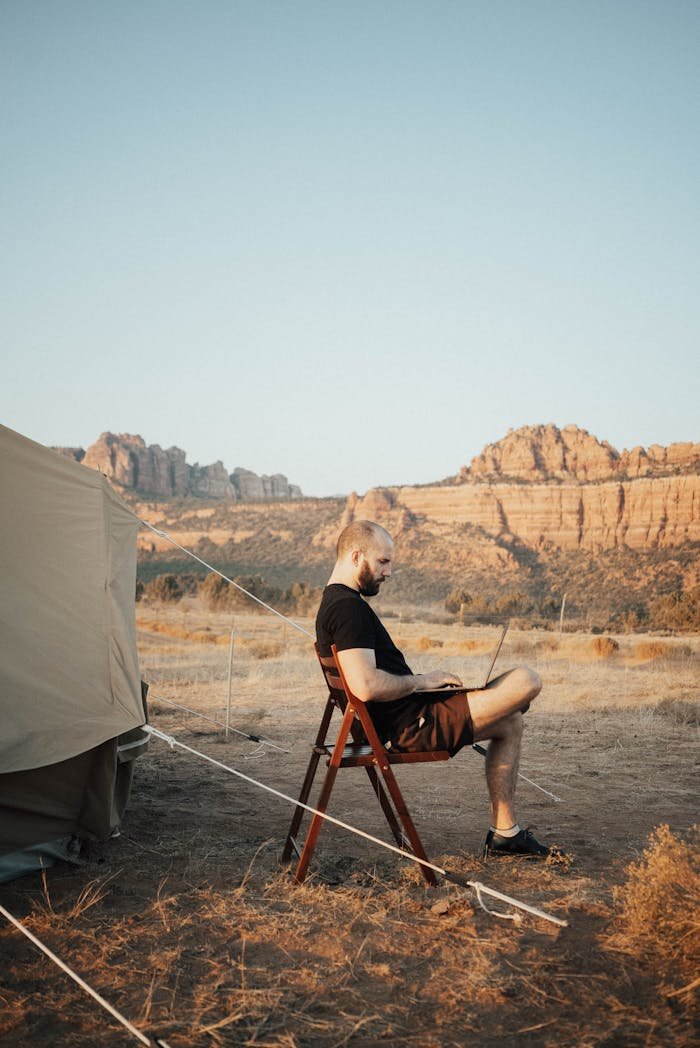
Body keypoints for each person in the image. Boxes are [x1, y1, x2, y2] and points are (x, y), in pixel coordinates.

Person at [316, 519, 552, 858]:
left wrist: (427, 684)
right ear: (356, 557)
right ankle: (501, 700)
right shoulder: (347, 608)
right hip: (410, 727)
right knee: (527, 680)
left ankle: (505, 835)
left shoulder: (338, 602)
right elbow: (365, 686)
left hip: (410, 716)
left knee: (511, 721)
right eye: (383, 561)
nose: (389, 571)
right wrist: (422, 681)